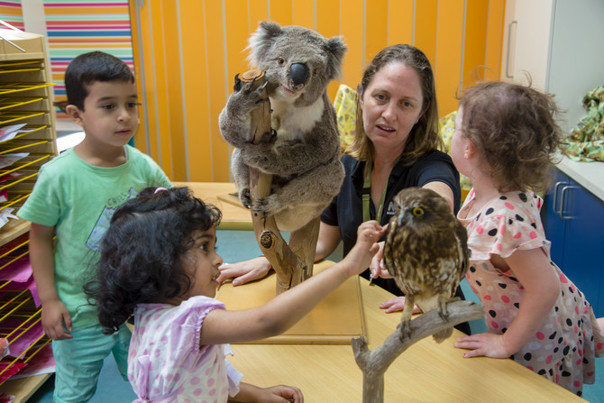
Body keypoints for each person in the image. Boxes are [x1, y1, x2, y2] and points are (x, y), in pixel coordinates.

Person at [218, 44, 469, 328]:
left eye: (406, 104)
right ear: (361, 96)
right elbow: (323, 244)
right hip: (367, 312)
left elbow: (438, 202)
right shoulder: (346, 168)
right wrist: (269, 261)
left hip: (430, 319)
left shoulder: (434, 165)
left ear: (421, 111)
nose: (389, 114)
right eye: (381, 97)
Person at [85, 186, 385, 402]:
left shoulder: (148, 315)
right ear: (159, 262)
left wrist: (257, 395)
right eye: (204, 247)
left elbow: (203, 378)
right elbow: (267, 321)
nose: (217, 259)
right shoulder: (189, 321)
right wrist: (346, 267)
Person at [17, 51, 172, 402]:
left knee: (150, 383)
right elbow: (39, 239)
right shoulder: (58, 176)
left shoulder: (144, 167)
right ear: (76, 115)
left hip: (138, 308)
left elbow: (171, 212)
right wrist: (50, 300)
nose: (124, 116)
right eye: (108, 106)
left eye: (132, 104)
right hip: (79, 313)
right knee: (74, 393)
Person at [449, 81, 604, 396]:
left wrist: (507, 343)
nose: (451, 135)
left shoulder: (502, 220)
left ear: (470, 148)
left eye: (455, 128)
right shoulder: (485, 192)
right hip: (536, 310)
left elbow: (545, 289)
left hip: (542, 333)